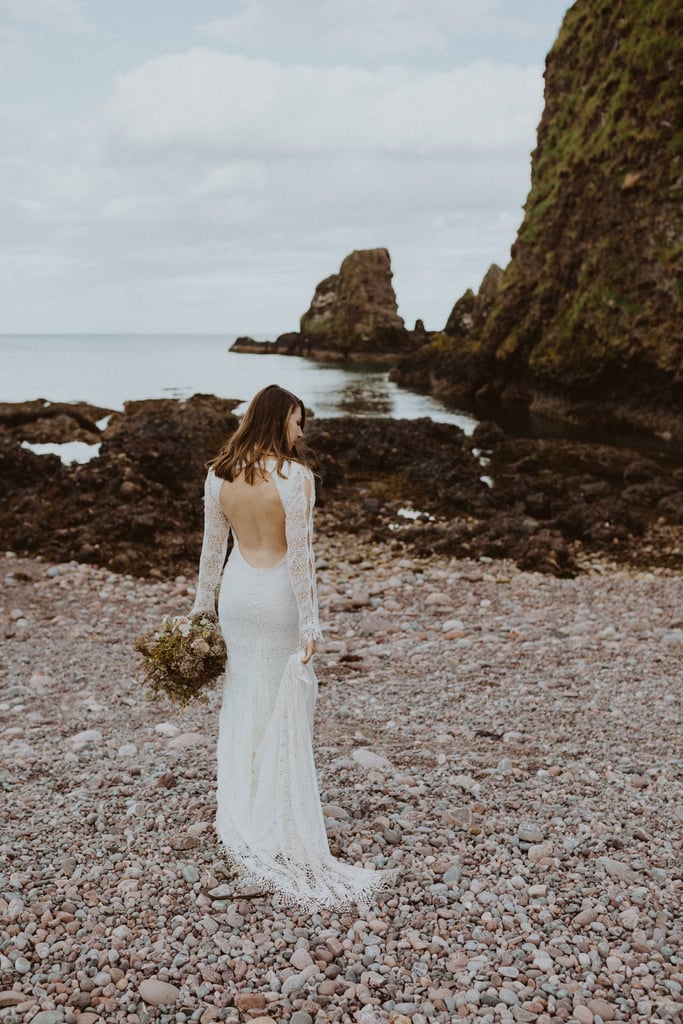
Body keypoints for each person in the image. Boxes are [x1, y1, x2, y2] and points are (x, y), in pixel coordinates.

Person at [190, 384, 391, 911]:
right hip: (278, 594)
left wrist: (199, 615)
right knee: (282, 696)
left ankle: (240, 806)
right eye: (298, 421)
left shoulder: (218, 476)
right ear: (279, 420)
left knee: (243, 695)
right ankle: (273, 810)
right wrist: (311, 624)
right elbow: (301, 556)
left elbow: (212, 554)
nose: (302, 431)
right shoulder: (295, 478)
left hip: (236, 594)